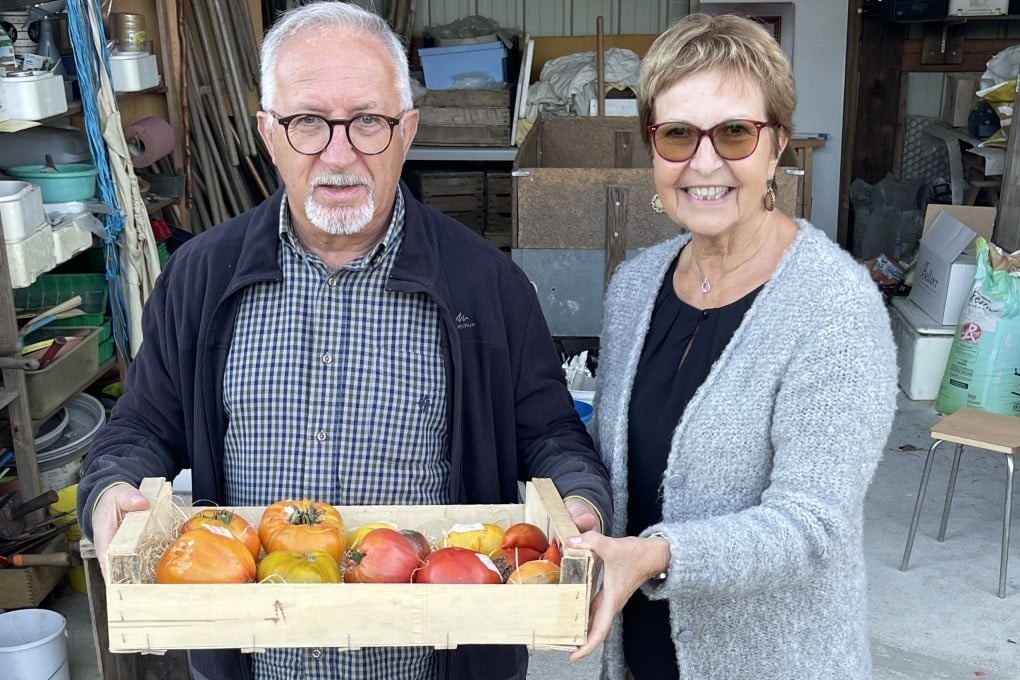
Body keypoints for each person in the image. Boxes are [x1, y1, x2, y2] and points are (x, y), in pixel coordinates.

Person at [76, 3, 611, 680]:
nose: (339, 153)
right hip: (256, 662)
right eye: (307, 122)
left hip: (432, 662)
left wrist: (582, 505)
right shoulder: (201, 277)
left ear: (407, 131)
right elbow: (142, 426)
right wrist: (111, 489)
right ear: (268, 133)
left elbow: (552, 437)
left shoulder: (488, 286)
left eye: (368, 121)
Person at [565, 13, 897, 680]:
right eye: (679, 134)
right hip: (640, 660)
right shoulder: (635, 287)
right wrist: (582, 502)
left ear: (777, 146)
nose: (704, 163)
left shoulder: (833, 305)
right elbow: (625, 459)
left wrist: (655, 555)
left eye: (736, 133)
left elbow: (811, 525)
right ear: (652, 147)